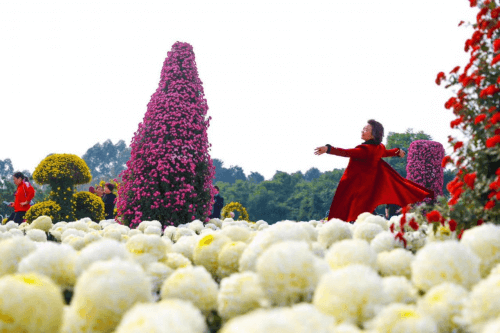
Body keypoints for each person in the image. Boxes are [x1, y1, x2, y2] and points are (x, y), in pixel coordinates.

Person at [315, 119, 433, 223]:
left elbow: (345, 152)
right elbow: (386, 152)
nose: (362, 131)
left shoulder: (364, 150)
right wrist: (397, 152)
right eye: (363, 129)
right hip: (369, 189)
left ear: (373, 134)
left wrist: (328, 149)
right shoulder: (379, 147)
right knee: (363, 215)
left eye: (366, 129)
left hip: (356, 189)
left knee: (350, 216)